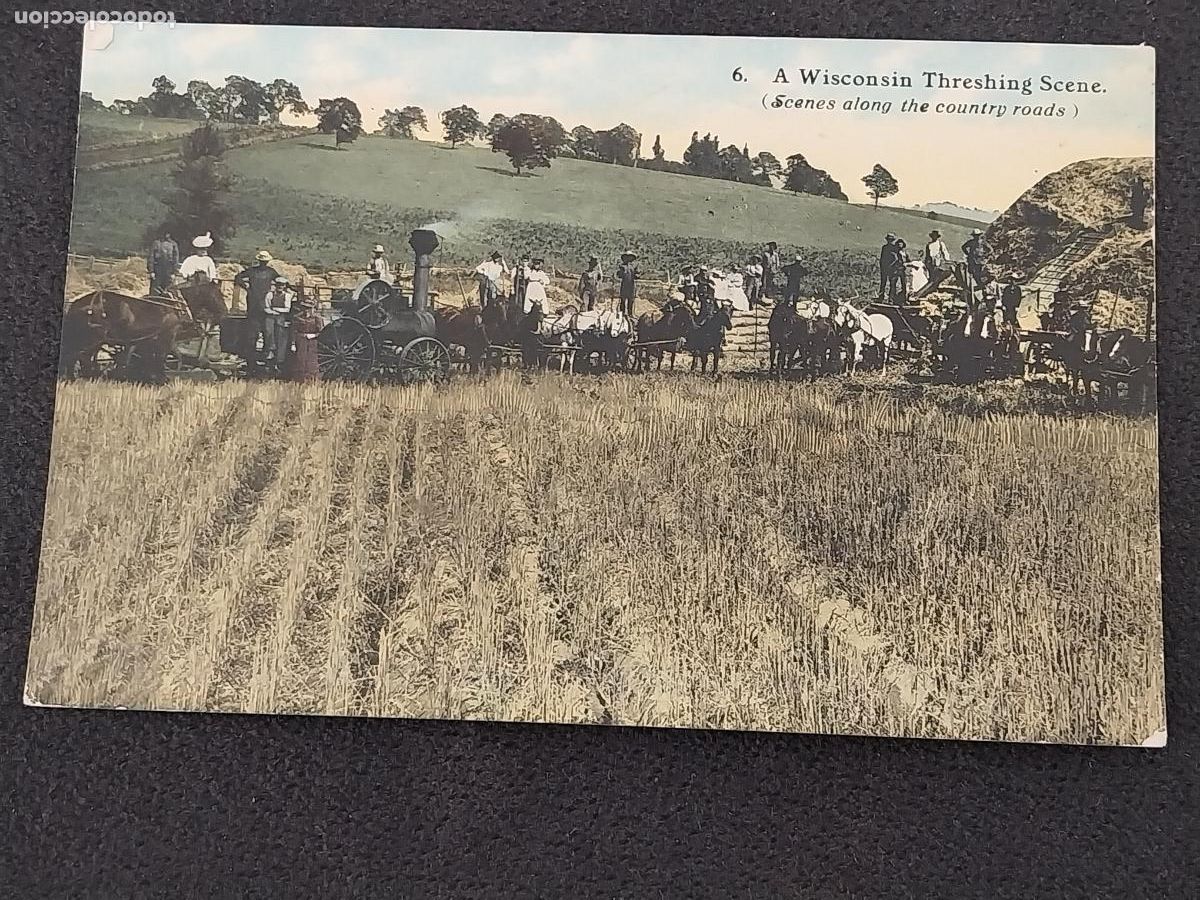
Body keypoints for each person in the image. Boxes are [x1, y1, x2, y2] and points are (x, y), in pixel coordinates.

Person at [234, 250, 281, 362]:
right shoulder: (253, 271)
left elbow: (281, 280)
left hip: (265, 304)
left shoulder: (270, 272)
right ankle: (252, 356)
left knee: (266, 331)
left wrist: (281, 290)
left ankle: (263, 355)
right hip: (254, 304)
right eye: (262, 261)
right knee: (253, 332)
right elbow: (238, 277)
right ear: (260, 261)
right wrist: (246, 287)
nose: (263, 263)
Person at [287, 294, 322, 383]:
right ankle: (299, 380)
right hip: (300, 339)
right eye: (305, 308)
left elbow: (321, 332)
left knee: (311, 360)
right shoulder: (298, 317)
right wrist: (293, 344)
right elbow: (293, 331)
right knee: (300, 359)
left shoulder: (317, 318)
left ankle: (312, 380)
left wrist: (314, 335)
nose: (307, 310)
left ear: (313, 308)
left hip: (312, 341)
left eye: (309, 308)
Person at [263, 275, 295, 369]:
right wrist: (273, 311)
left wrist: (275, 309)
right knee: (269, 330)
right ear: (275, 285)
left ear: (284, 286)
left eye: (282, 285)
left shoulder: (287, 296)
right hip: (271, 316)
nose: (280, 287)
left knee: (281, 336)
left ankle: (279, 359)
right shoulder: (270, 295)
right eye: (278, 285)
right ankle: (270, 350)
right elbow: (266, 308)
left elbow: (287, 309)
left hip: (281, 317)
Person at [147, 230, 180, 296]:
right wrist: (151, 271)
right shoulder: (156, 243)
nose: (166, 235)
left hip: (169, 271)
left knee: (169, 291)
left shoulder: (173, 244)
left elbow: (176, 259)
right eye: (165, 233)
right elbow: (151, 257)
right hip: (157, 270)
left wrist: (174, 272)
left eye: (168, 233)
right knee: (155, 291)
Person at [923, 229, 952, 294]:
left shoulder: (940, 244)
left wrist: (947, 260)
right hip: (930, 262)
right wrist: (926, 263)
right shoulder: (929, 244)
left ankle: (934, 289)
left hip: (938, 262)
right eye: (933, 236)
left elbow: (945, 252)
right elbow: (927, 254)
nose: (934, 237)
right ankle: (930, 291)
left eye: (935, 236)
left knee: (936, 277)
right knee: (931, 278)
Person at [878, 233, 904, 303]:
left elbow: (896, 258)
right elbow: (882, 258)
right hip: (885, 267)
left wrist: (891, 265)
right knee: (885, 283)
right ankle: (882, 298)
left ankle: (890, 299)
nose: (889, 241)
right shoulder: (885, 247)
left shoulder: (893, 248)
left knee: (891, 284)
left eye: (890, 239)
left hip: (891, 268)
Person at [615, 251, 639, 318]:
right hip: (624, 285)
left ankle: (630, 313)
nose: (628, 259)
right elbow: (619, 275)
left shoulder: (633, 267)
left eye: (630, 257)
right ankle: (622, 313)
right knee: (623, 300)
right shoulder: (622, 266)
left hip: (631, 285)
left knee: (631, 300)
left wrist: (637, 275)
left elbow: (636, 275)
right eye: (627, 257)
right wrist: (621, 272)